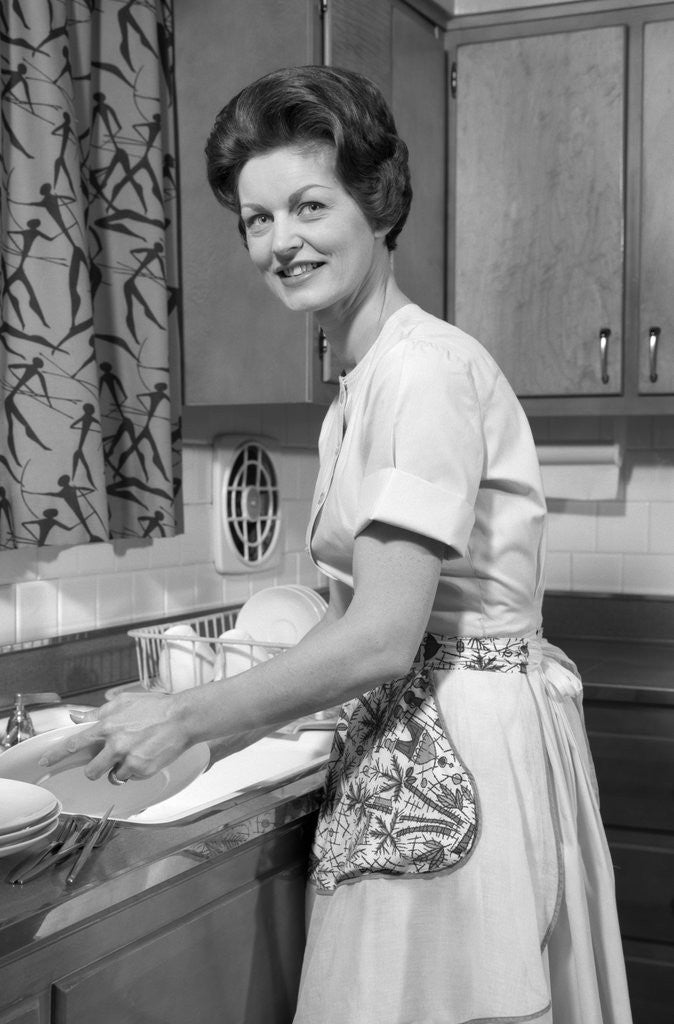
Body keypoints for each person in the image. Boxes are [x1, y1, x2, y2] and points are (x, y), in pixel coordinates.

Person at [42, 66, 633, 1023]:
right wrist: (187, 724)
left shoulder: (425, 373)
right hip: (424, 741)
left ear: (377, 203)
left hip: (463, 753)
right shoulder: (363, 381)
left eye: (309, 205)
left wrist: (190, 722)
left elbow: (383, 639)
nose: (281, 242)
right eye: (257, 219)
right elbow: (346, 624)